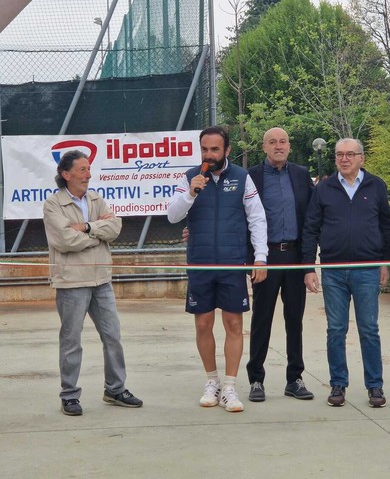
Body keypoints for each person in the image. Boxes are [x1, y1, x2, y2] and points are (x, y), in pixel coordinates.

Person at [167, 126, 267, 413]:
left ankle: (230, 387)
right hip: (200, 263)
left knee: (234, 325)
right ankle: (212, 382)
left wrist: (260, 257)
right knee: (203, 324)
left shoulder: (242, 177)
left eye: (214, 149)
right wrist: (190, 193)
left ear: (227, 150)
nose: (208, 155)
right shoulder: (190, 177)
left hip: (232, 263)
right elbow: (172, 215)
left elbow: (257, 218)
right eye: (204, 149)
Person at [43, 150, 143, 416]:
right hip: (71, 282)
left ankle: (115, 389)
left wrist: (87, 227)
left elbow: (115, 228)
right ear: (66, 174)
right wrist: (98, 233)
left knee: (113, 336)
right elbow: (64, 240)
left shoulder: (96, 199)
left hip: (101, 280)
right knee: (71, 341)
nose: (88, 174)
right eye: (82, 169)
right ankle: (69, 395)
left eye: (89, 169)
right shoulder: (53, 204)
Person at [302, 138, 390, 408]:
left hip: (367, 270)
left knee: (369, 329)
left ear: (361, 158)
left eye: (350, 154)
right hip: (333, 270)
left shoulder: (376, 186)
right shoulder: (324, 188)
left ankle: (375, 386)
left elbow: (386, 226)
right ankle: (338, 384)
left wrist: (385, 262)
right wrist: (308, 267)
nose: (344, 159)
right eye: (339, 154)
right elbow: (311, 228)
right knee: (336, 330)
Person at [246, 127, 314, 402]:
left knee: (294, 320)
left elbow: (312, 218)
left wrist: (309, 263)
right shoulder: (252, 176)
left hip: (295, 256)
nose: (278, 146)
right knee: (261, 319)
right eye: (272, 142)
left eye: (283, 141)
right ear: (264, 147)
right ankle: (256, 380)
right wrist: (251, 260)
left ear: (289, 146)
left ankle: (294, 379)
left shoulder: (300, 175)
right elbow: (239, 216)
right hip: (265, 257)